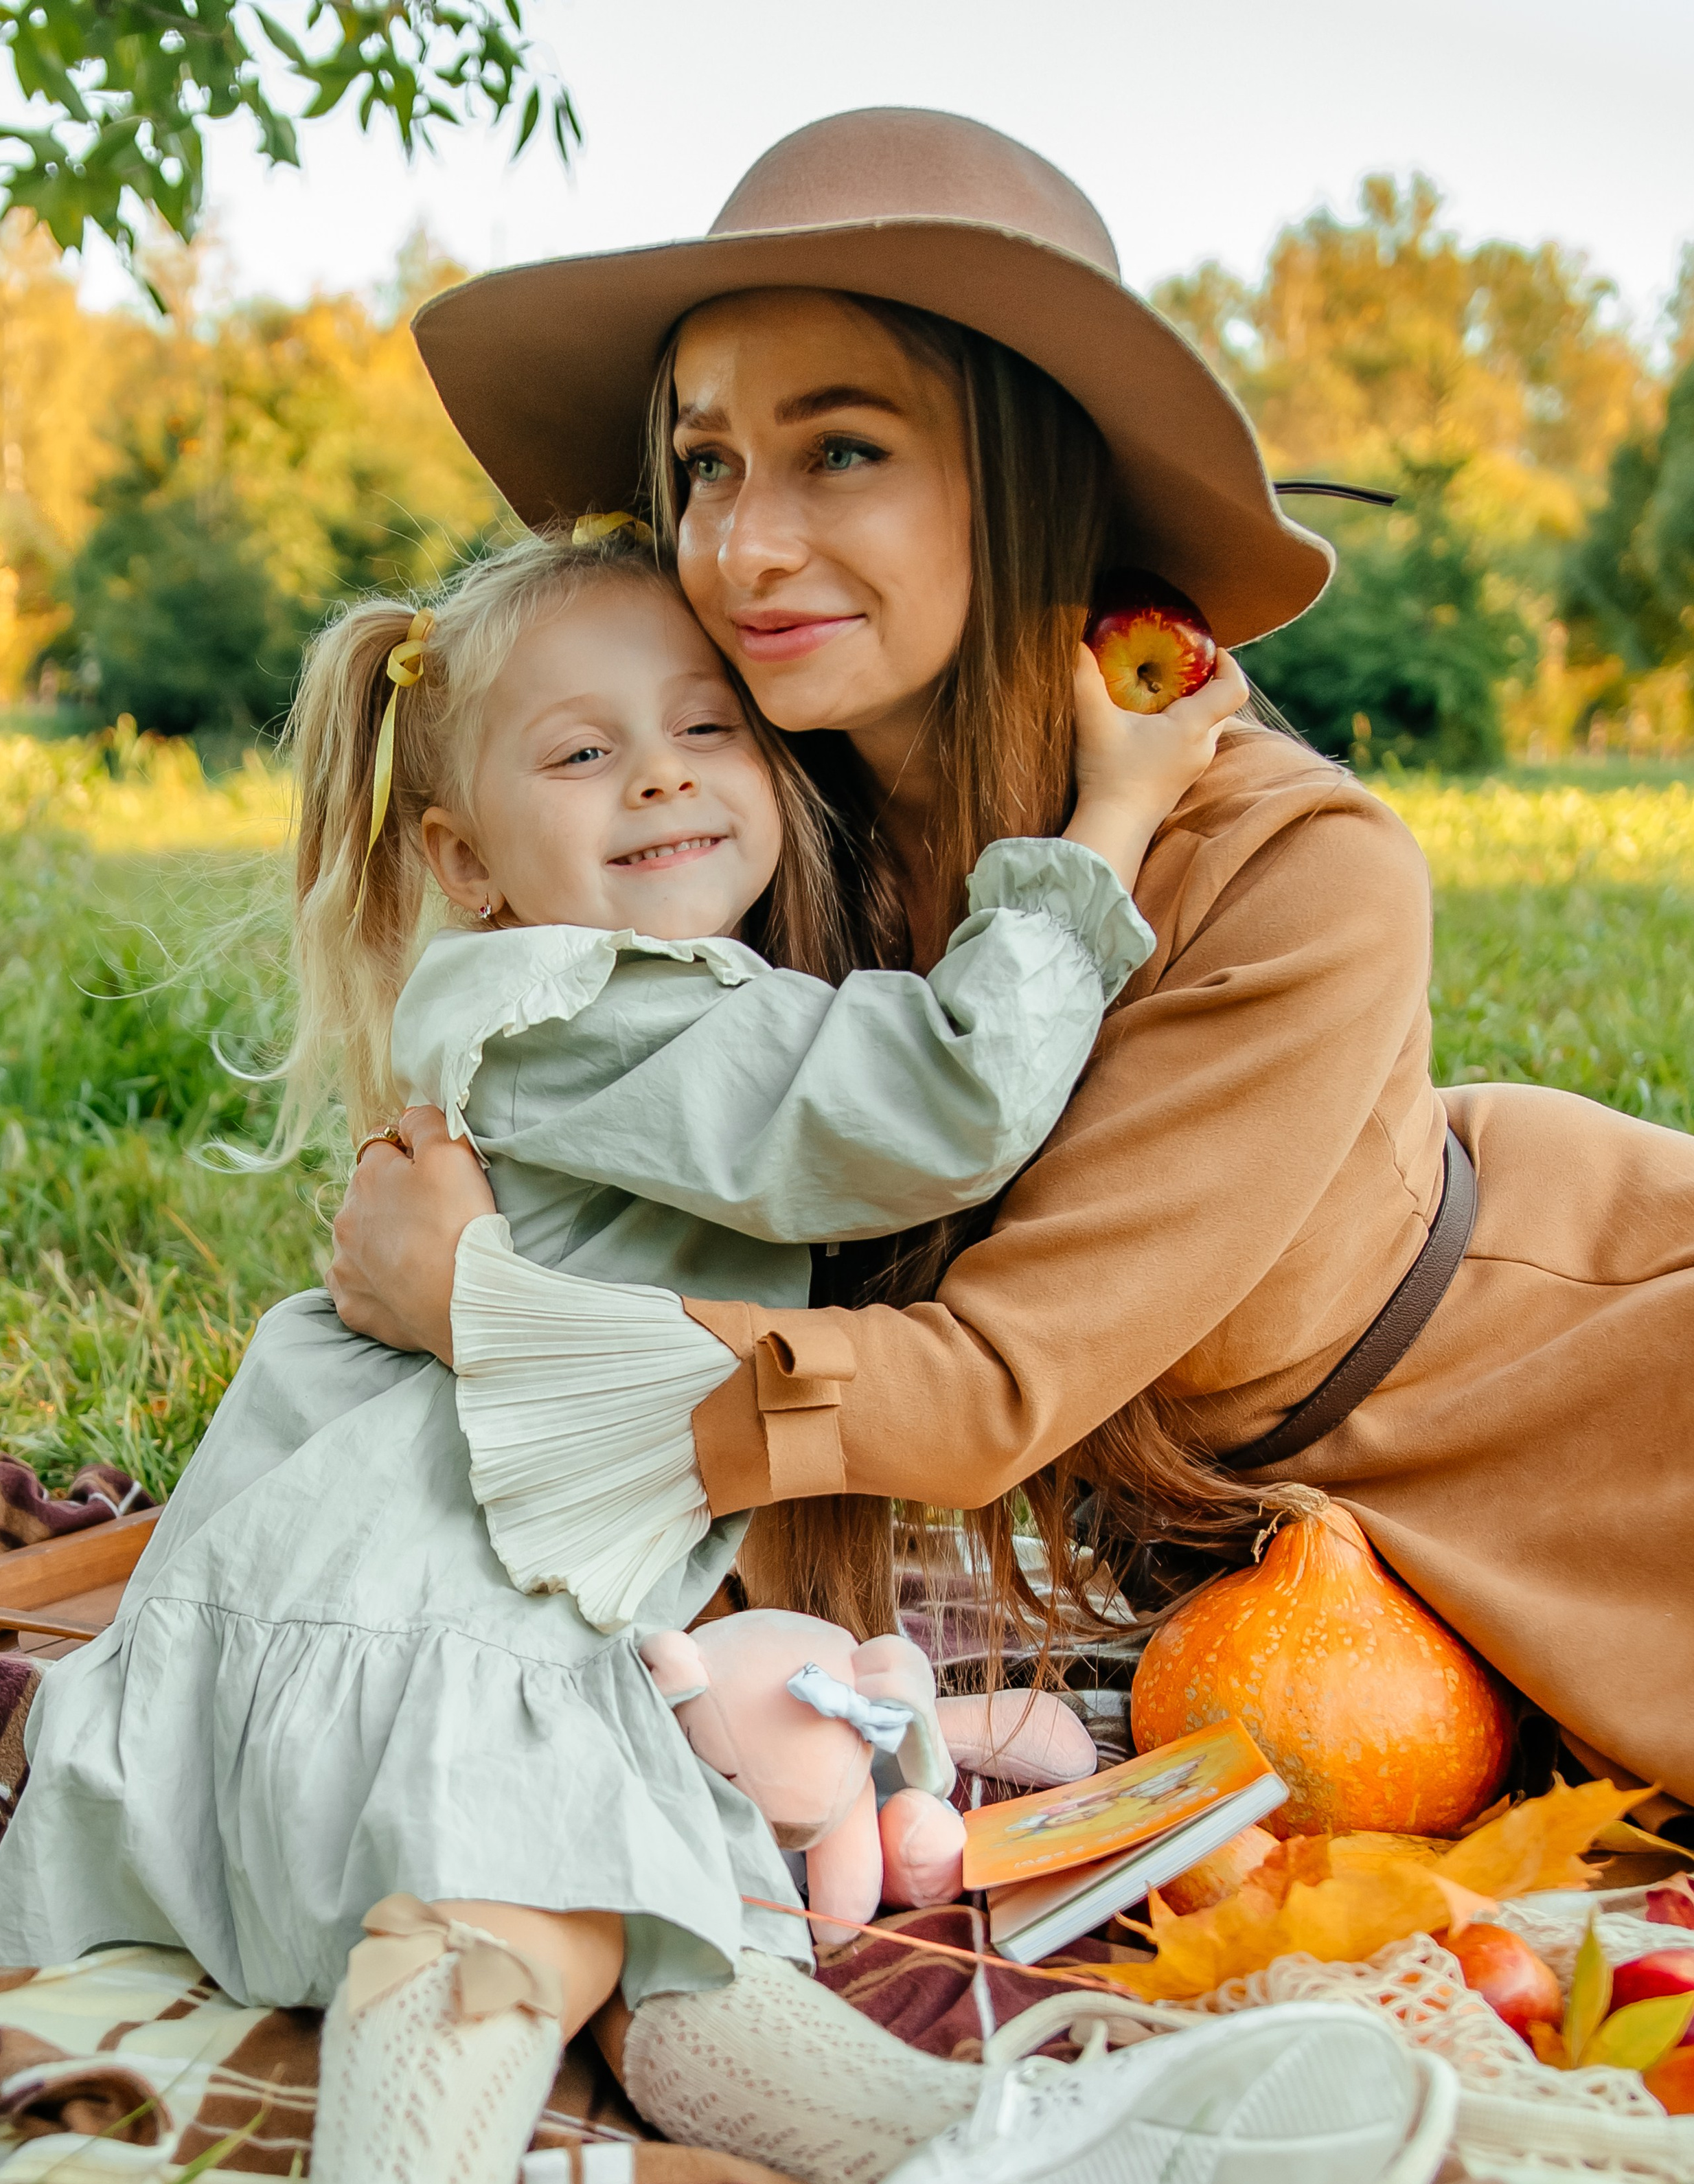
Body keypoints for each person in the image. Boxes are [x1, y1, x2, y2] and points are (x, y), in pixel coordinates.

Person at [0, 517, 1437, 2184]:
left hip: (510, 1581)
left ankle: (955, 2160)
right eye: (580, 758)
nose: (662, 777)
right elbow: (926, 1112)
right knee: (553, 1859)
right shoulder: (585, 1002)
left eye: (704, 727)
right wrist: (1101, 833)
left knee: (681, 1931)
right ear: (466, 857)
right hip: (400, 1585)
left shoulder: (645, 990)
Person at [339, 106, 1694, 1811]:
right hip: (1246, 1548)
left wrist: (500, 1325)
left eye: (840, 452)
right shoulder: (746, 822)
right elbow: (652, 1199)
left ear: (1030, 479)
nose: (743, 546)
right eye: (704, 465)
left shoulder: (1296, 874)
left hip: (1579, 1413)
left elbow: (980, 1387)